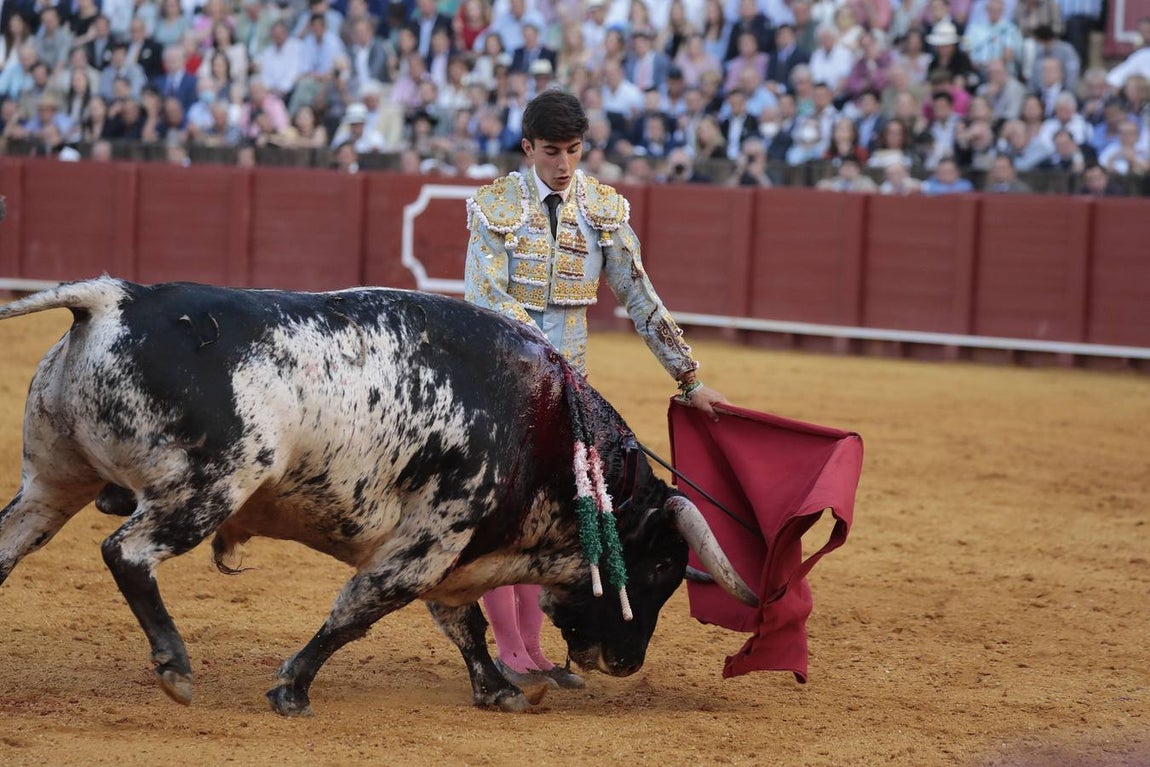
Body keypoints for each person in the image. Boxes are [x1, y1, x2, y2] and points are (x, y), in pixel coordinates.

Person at [463, 90, 727, 694]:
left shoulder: (601, 209)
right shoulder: (495, 207)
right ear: (528, 147)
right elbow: (486, 298)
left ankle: (534, 650)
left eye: (574, 150)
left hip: (569, 397)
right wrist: (547, 359)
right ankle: (510, 650)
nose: (564, 164)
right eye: (551, 151)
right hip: (503, 386)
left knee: (550, 521)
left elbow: (640, 295)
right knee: (504, 521)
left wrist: (688, 377)